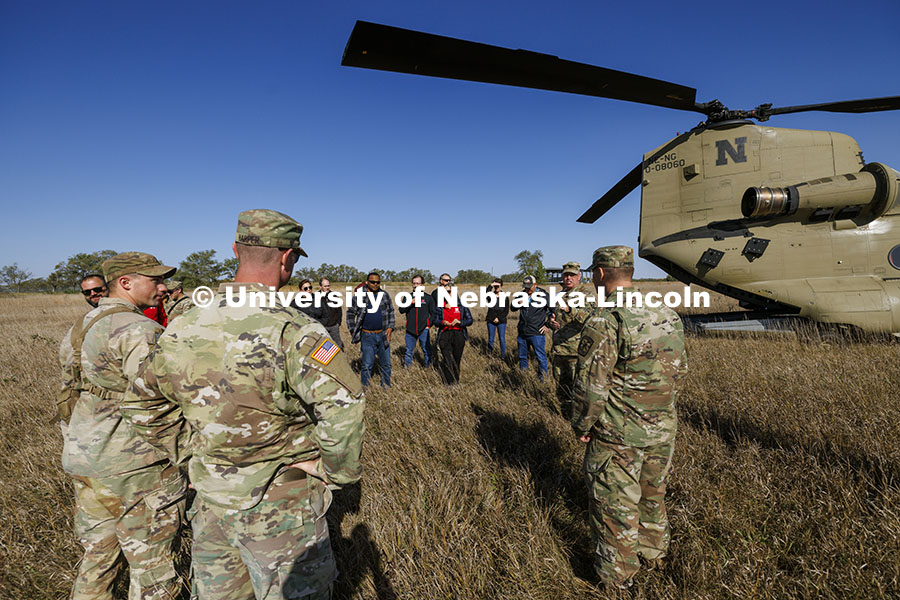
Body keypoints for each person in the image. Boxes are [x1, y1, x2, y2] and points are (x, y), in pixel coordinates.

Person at [120, 209, 366, 600]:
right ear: (287, 259)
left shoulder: (182, 324)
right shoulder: (295, 327)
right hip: (280, 507)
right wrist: (333, 473)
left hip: (211, 501)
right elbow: (344, 406)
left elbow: (141, 404)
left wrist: (190, 453)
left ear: (236, 249)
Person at [58, 252, 187, 600]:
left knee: (98, 559)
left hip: (86, 456)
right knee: (154, 572)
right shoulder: (140, 330)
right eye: (155, 280)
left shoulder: (80, 327)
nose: (163, 288)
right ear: (126, 284)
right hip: (134, 466)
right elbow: (160, 399)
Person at [572, 246, 688, 589]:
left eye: (594, 271)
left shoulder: (606, 318)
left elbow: (591, 387)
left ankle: (617, 580)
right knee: (653, 496)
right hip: (662, 428)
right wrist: (658, 412)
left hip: (618, 436)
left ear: (601, 273)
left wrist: (582, 425)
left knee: (615, 510)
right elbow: (679, 373)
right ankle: (654, 556)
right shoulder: (665, 312)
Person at [547, 261, 596, 418]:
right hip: (560, 350)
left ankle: (579, 420)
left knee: (579, 390)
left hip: (576, 352)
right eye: (566, 275)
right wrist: (552, 322)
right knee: (562, 389)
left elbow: (591, 318)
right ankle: (565, 418)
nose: (568, 278)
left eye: (572, 275)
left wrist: (571, 309)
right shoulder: (561, 294)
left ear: (579, 276)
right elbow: (557, 317)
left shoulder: (586, 295)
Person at [347, 272, 395, 387]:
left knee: (386, 364)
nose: (375, 284)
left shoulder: (384, 295)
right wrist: (353, 330)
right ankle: (365, 388)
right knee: (367, 365)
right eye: (372, 282)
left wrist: (390, 327)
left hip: (383, 334)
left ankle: (386, 387)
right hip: (367, 335)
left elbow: (391, 311)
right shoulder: (359, 296)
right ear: (367, 282)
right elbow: (350, 313)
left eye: (378, 282)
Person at [432, 276, 473, 384]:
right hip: (445, 334)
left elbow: (470, 320)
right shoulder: (440, 306)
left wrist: (460, 322)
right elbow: (435, 321)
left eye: (450, 292)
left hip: (458, 334)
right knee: (447, 360)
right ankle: (449, 383)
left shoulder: (461, 306)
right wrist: (442, 322)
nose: (448, 294)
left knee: (456, 360)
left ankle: (456, 381)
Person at [510, 274, 550, 381]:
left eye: (529, 286)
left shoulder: (544, 295)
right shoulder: (521, 294)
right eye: (525, 286)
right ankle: (524, 378)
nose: (527, 289)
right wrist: (518, 303)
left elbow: (553, 310)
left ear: (535, 285)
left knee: (540, 358)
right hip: (522, 332)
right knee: (522, 357)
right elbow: (512, 308)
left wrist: (547, 325)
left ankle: (543, 380)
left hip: (537, 333)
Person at [398, 275, 434, 367]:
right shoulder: (408, 296)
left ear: (422, 284)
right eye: (414, 283)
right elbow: (401, 310)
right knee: (409, 351)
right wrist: (410, 303)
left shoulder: (428, 298)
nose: (415, 285)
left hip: (423, 329)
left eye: (418, 283)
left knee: (426, 350)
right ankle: (407, 369)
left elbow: (434, 313)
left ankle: (428, 368)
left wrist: (428, 325)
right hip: (410, 329)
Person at [485, 278, 509, 356]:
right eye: (495, 286)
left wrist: (498, 318)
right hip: (490, 320)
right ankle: (489, 355)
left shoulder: (505, 296)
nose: (496, 287)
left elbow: (506, 310)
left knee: (502, 339)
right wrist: (490, 285)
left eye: (498, 286)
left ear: (501, 286)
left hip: (501, 321)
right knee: (491, 339)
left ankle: (503, 356)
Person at [319, 278, 343, 348]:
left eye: (328, 286)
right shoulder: (316, 297)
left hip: (334, 326)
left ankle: (341, 358)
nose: (327, 288)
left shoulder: (334, 296)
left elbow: (339, 310)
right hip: (322, 327)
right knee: (325, 347)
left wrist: (338, 322)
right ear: (320, 286)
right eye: (325, 286)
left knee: (338, 345)